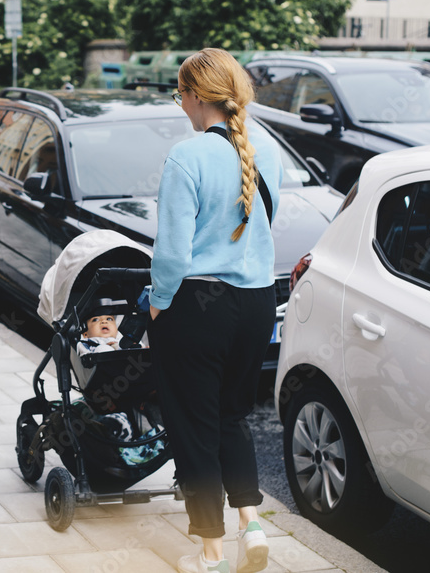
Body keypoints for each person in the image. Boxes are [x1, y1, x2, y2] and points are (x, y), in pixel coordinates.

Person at [147, 48, 281, 573]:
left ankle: (209, 552)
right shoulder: (264, 147)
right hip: (257, 304)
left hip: (199, 307)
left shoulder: (187, 155)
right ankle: (252, 524)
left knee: (193, 426)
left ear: (196, 96)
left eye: (180, 94)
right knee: (233, 417)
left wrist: (159, 303)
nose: (180, 103)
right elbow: (265, 225)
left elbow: (173, 251)